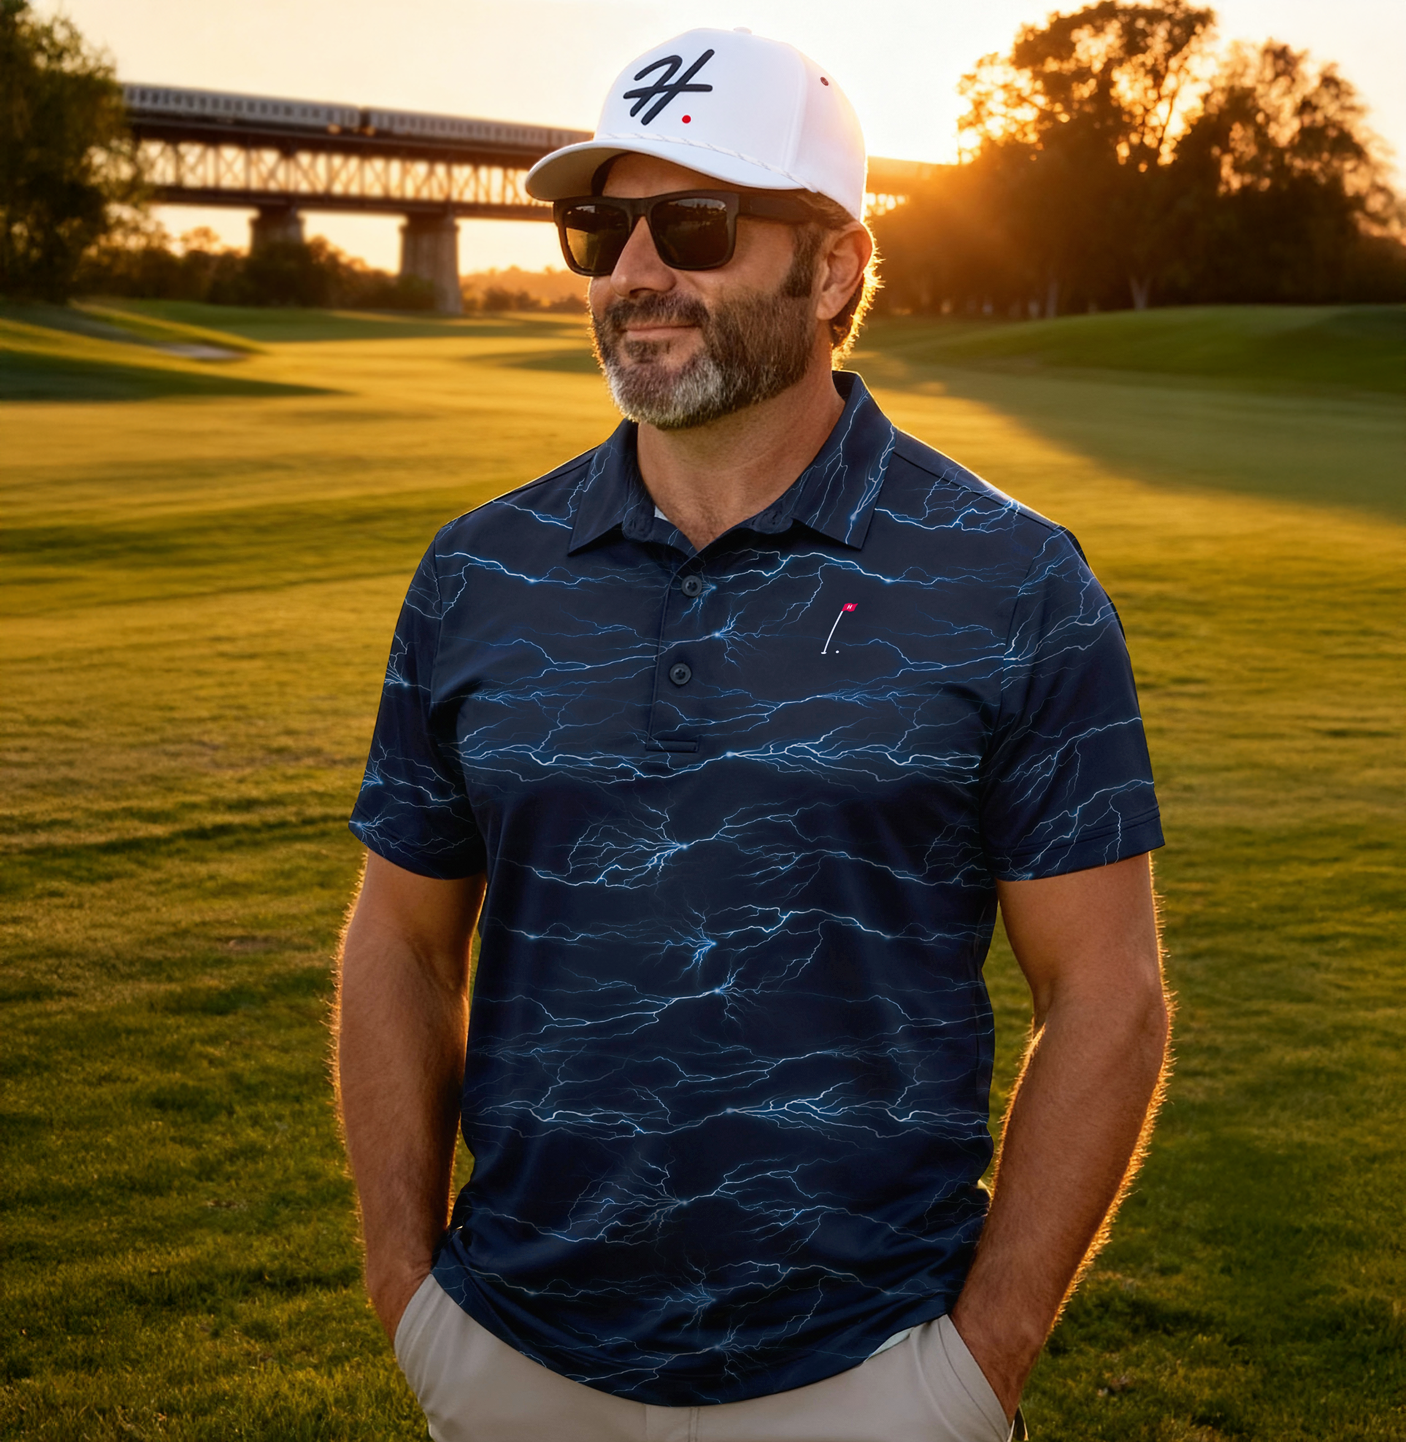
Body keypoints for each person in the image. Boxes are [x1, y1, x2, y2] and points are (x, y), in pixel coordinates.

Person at [336, 26, 1170, 1442]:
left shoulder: (1011, 578)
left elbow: (1107, 992)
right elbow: (402, 941)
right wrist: (409, 1294)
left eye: (697, 223)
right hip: (515, 1362)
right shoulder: (480, 571)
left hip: (870, 1376)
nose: (636, 272)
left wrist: (976, 1363)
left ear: (832, 265)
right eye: (601, 226)